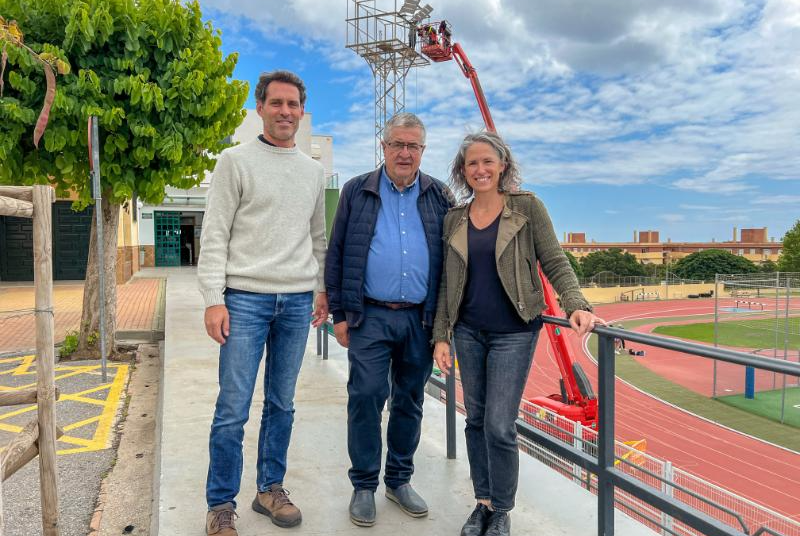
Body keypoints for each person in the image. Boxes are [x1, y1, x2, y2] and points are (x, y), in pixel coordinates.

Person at [432, 131, 604, 536]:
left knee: (499, 424)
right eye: (472, 163)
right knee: (475, 419)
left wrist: (576, 303)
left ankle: (503, 510)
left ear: (503, 165)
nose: (480, 169)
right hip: (469, 332)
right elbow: (445, 282)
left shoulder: (527, 208)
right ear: (463, 171)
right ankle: (483, 503)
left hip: (515, 331)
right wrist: (442, 334)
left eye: (487, 162)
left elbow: (555, 261)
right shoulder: (454, 218)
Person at [198, 70, 328, 536]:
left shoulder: (314, 171)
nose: (286, 112)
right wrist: (214, 299)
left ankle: (269, 488)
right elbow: (214, 234)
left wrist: (321, 288)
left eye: (293, 105)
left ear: (301, 110)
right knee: (232, 407)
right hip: (245, 300)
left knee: (282, 403)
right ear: (261, 108)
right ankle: (220, 505)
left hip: (295, 302)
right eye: (277, 103)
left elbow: (317, 237)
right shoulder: (235, 162)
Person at [325, 112, 453, 527]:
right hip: (370, 315)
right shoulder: (356, 190)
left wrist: (442, 327)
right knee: (365, 396)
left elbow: (453, 263)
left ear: (422, 151)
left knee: (410, 401)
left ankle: (399, 481)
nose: (404, 152)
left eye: (412, 146)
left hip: (420, 319)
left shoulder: (439, 195)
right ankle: (364, 485)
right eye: (396, 144)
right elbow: (338, 251)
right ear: (384, 147)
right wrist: (340, 316)